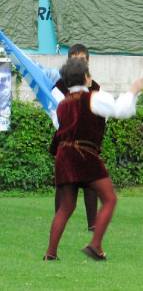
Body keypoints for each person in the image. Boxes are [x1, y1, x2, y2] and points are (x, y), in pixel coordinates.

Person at [45, 59, 142, 260]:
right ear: (87, 78)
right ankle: (95, 245)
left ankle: (51, 253)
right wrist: (133, 91)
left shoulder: (62, 104)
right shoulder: (94, 98)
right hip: (84, 154)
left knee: (66, 206)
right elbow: (120, 110)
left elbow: (61, 130)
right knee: (110, 198)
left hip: (64, 156)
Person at [50, 44, 101, 232]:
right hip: (67, 141)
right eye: (76, 60)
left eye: (83, 60)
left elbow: (99, 114)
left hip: (88, 142)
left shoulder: (95, 87)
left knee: (90, 182)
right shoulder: (59, 87)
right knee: (64, 182)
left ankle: (93, 223)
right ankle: (59, 218)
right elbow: (56, 115)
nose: (79, 63)